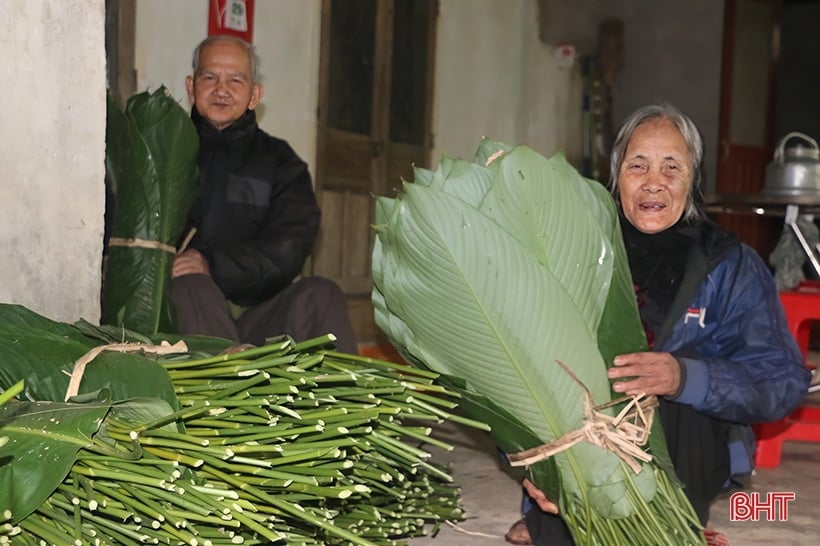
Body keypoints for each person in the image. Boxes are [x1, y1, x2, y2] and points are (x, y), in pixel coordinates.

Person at [505, 104, 811, 546]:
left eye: (672, 167)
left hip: (683, 449)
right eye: (638, 166)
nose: (654, 182)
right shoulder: (575, 249)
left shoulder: (728, 263)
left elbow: (783, 380)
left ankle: (675, 521)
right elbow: (504, 362)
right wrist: (535, 466)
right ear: (616, 178)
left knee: (674, 376)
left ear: (693, 180)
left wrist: (685, 377)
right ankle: (550, 511)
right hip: (580, 447)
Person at [170, 34, 358, 354]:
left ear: (254, 95)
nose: (221, 89)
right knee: (191, 286)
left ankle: (354, 401)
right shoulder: (164, 152)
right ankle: (230, 393)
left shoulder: (280, 162)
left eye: (236, 80)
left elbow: (288, 249)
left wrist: (213, 265)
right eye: (210, 77)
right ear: (191, 87)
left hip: (257, 316)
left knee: (321, 293)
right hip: (182, 317)